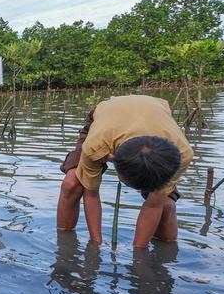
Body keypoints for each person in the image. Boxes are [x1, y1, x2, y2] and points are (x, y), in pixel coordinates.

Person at [56, 95, 193, 249]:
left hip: (155, 115)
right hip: (106, 119)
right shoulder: (96, 146)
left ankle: (166, 256)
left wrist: (139, 255)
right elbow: (91, 193)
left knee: (166, 205)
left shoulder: (182, 154)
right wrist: (95, 244)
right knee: (72, 183)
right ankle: (64, 247)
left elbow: (154, 205)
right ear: (113, 159)